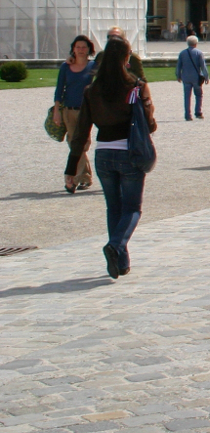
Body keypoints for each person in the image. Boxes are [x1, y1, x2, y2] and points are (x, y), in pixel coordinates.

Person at [67, 37, 157, 280]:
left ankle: (121, 262)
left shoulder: (92, 90)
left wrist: (70, 167)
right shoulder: (134, 87)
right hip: (128, 152)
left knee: (114, 207)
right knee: (133, 208)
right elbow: (148, 125)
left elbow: (81, 133)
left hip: (103, 153)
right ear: (126, 59)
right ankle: (115, 245)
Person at [54, 34, 97, 193]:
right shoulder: (66, 67)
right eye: (77, 47)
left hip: (85, 111)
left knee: (82, 144)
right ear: (73, 49)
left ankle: (78, 176)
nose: (80, 50)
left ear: (89, 50)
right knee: (74, 143)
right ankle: (83, 177)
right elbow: (59, 90)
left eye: (83, 47)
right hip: (68, 110)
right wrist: (57, 112)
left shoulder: (93, 66)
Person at [175, 35, 210, 120]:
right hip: (196, 77)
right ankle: (198, 112)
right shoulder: (199, 53)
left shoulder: (182, 53)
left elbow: (178, 66)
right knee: (198, 95)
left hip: (186, 77)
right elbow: (203, 66)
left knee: (187, 96)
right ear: (196, 44)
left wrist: (178, 76)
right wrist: (206, 77)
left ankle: (187, 115)